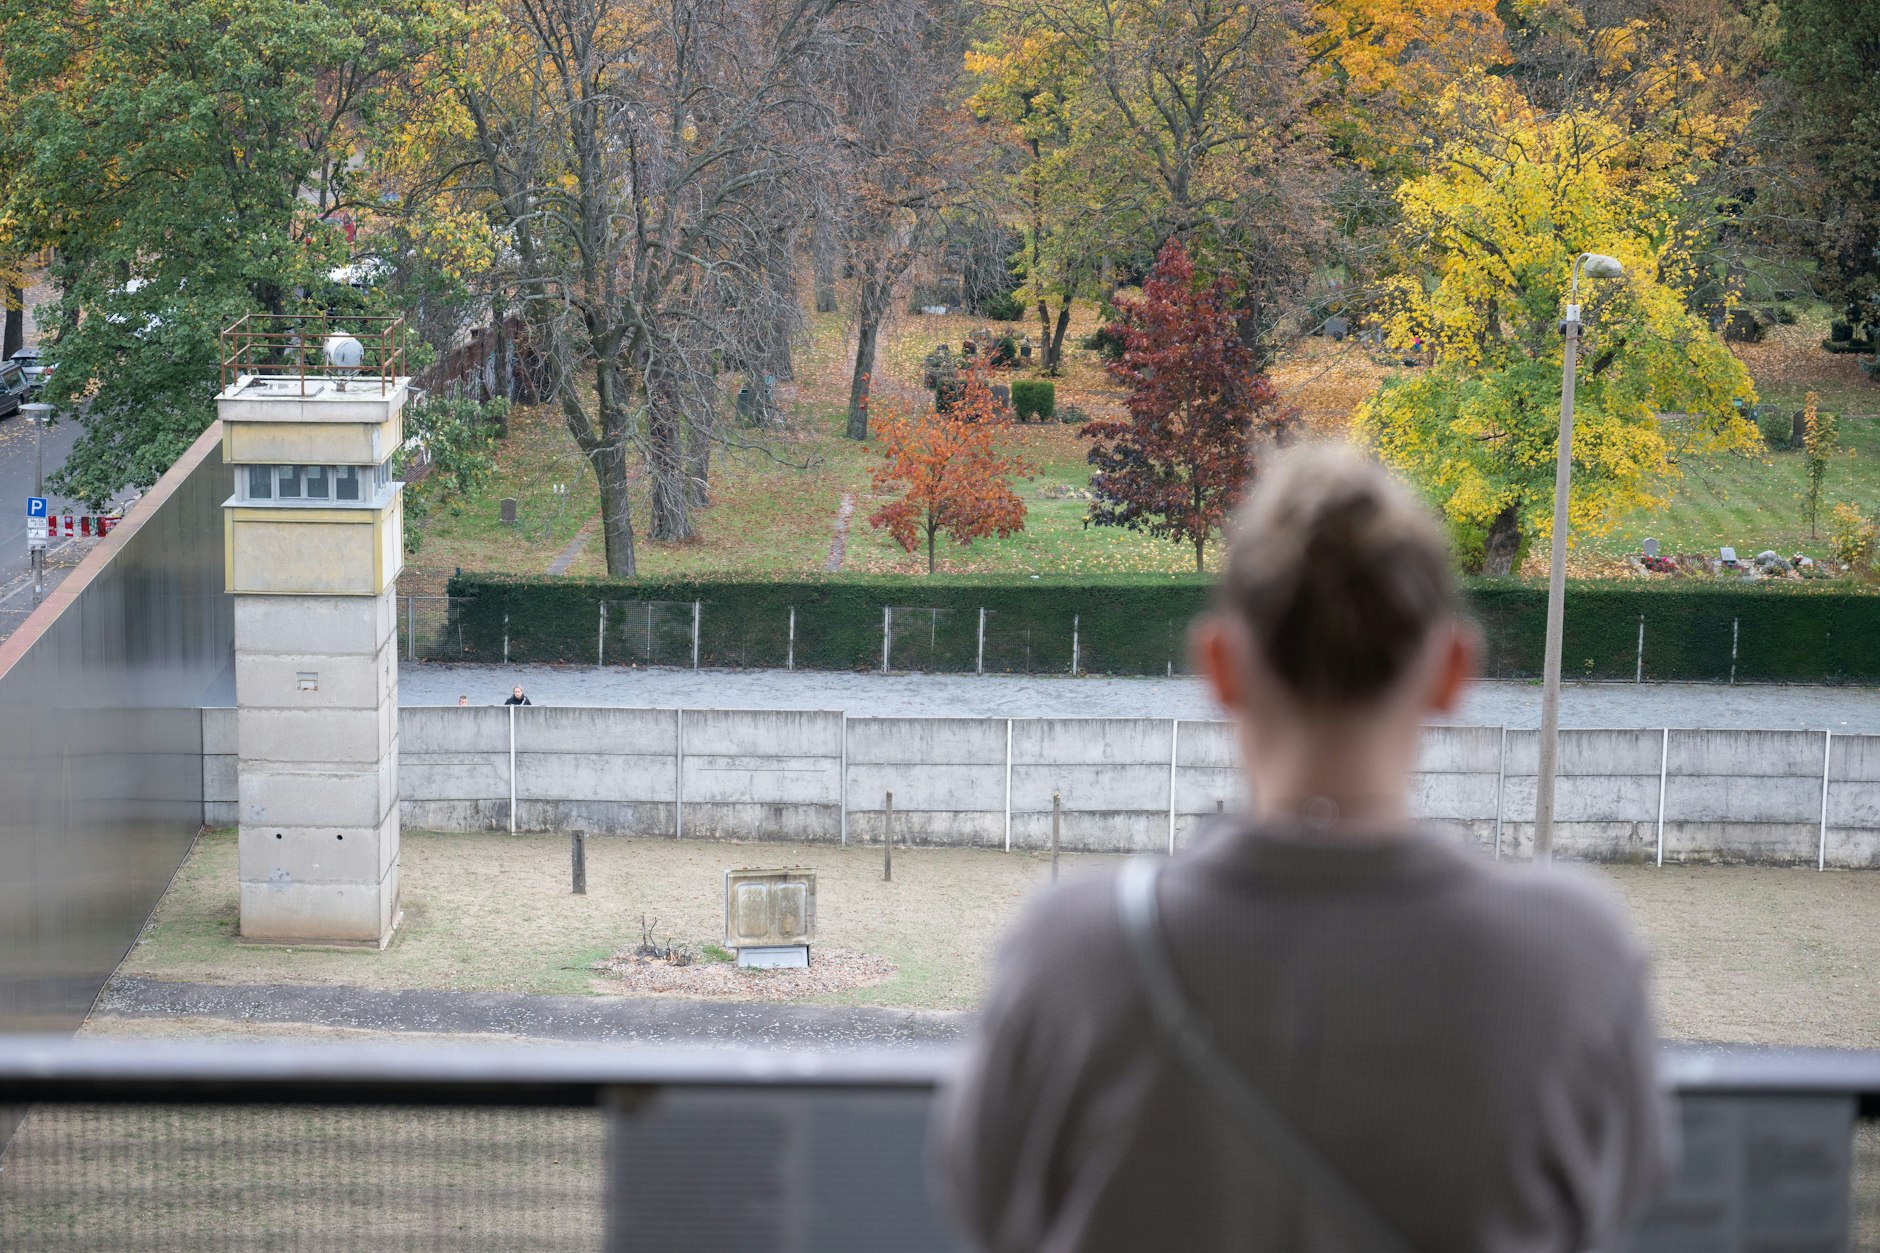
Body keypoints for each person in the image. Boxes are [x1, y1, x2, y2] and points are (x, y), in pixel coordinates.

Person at [937, 444, 1671, 1253]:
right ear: (1453, 671)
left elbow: (990, 1208)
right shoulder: (1573, 956)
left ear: (1218, 665)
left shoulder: (1069, 954)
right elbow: (1616, 1203)